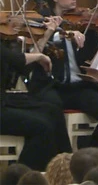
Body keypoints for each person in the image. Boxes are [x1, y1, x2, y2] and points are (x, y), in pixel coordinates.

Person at [29, 0, 98, 147]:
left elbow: (93, 57)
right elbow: (33, 56)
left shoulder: (84, 22)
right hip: (51, 86)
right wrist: (58, 33)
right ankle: (65, 157)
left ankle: (88, 153)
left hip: (79, 87)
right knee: (52, 108)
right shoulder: (40, 21)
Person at [0, 39, 72, 170]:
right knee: (42, 127)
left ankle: (66, 170)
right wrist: (39, 56)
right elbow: (15, 59)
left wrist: (45, 36)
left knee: (52, 110)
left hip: (4, 99)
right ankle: (24, 177)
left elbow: (24, 67)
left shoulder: (5, 41)